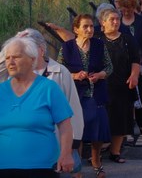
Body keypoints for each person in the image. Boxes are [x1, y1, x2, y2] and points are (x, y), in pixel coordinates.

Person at [0, 37, 74, 178]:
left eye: (16, 57)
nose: (10, 62)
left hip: (41, 167)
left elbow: (65, 125)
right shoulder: (0, 90)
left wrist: (66, 154)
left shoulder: (48, 88)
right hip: (3, 167)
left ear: (32, 59)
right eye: (7, 58)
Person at [16, 28, 84, 178]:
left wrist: (74, 141)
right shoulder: (15, 72)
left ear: (41, 50)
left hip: (52, 140)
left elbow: (73, 107)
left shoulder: (60, 72)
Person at [58, 14, 112, 178]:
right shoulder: (66, 47)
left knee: (98, 130)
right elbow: (59, 69)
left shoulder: (99, 44)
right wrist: (74, 75)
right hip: (76, 94)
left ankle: (96, 160)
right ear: (76, 30)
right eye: (85, 27)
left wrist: (100, 75)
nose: (90, 29)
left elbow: (109, 67)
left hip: (96, 93)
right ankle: (77, 166)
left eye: (91, 26)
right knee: (77, 131)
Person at [96, 8, 140, 164]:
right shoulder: (97, 39)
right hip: (101, 85)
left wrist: (134, 75)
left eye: (117, 19)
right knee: (102, 119)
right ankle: (96, 154)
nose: (115, 22)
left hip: (123, 84)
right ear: (103, 22)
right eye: (111, 19)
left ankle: (115, 152)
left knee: (121, 119)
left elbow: (136, 59)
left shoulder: (128, 39)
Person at [117, 0, 142, 135]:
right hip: (122, 64)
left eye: (129, 8)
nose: (126, 11)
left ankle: (141, 123)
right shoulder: (117, 22)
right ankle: (128, 128)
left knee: (141, 95)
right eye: (123, 8)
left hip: (140, 63)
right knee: (125, 97)